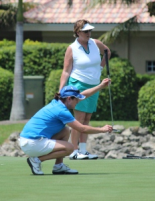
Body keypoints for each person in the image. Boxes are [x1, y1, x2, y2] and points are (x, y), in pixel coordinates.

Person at [19, 78, 113, 175]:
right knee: (70, 148)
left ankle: (58, 166)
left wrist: (100, 86)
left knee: (65, 130)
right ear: (69, 98)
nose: (78, 102)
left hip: (30, 141)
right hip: (32, 143)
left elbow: (84, 95)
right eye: (76, 99)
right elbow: (82, 129)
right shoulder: (61, 111)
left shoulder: (57, 102)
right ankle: (37, 160)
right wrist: (102, 129)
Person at [59, 19, 111, 160]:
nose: (89, 33)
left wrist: (100, 67)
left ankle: (83, 150)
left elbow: (107, 52)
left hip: (94, 85)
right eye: (86, 31)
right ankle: (74, 151)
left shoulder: (95, 43)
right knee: (79, 118)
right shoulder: (72, 48)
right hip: (78, 85)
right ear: (78, 32)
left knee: (87, 118)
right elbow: (66, 71)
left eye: (90, 31)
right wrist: (60, 90)